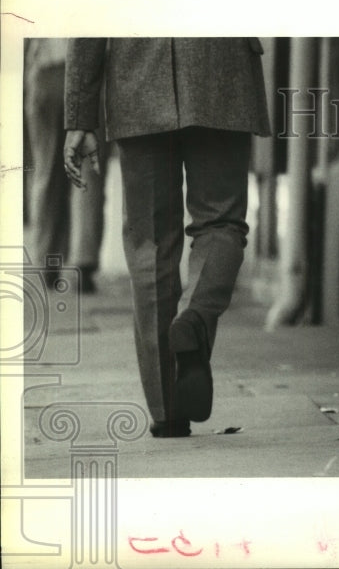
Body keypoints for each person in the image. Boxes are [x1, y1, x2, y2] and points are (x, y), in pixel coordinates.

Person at [63, 38, 271, 437]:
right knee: (221, 222)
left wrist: (80, 116)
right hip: (221, 76)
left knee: (149, 243)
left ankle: (167, 410)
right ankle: (194, 315)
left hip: (136, 79)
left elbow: (87, 13)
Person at [24, 38, 106, 292]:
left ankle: (47, 261)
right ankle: (83, 262)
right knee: (87, 171)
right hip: (88, 74)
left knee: (47, 172)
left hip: (45, 68)